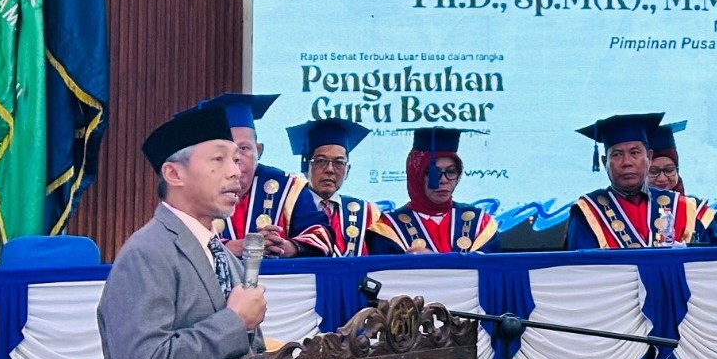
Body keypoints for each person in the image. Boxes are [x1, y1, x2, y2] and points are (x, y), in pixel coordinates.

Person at [98, 106, 266, 359]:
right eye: (219, 159)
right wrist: (235, 321)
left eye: (237, 159)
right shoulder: (146, 253)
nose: (236, 171)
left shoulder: (227, 257)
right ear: (174, 174)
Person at [195, 93, 330, 257]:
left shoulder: (288, 188)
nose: (236, 159)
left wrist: (284, 247)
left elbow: (322, 236)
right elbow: (182, 239)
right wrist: (232, 247)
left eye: (243, 148)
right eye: (224, 151)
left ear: (258, 151)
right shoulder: (196, 189)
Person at [568, 113, 704, 249]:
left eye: (634, 153)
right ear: (605, 163)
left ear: (649, 157)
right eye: (617, 154)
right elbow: (582, 261)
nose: (627, 162)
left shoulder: (682, 208)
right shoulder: (589, 211)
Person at [283, 118, 407, 256]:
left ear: (347, 170)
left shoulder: (367, 214)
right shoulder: (287, 210)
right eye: (321, 161)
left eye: (339, 163)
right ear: (306, 167)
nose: (330, 170)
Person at [389, 127, 500, 253]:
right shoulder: (390, 226)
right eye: (433, 173)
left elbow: (492, 264)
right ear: (415, 176)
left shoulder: (479, 223)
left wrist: (433, 260)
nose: (443, 180)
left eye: (451, 171)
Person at [645, 120, 717, 244]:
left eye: (669, 170)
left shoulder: (695, 209)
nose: (662, 178)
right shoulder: (632, 210)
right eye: (653, 171)